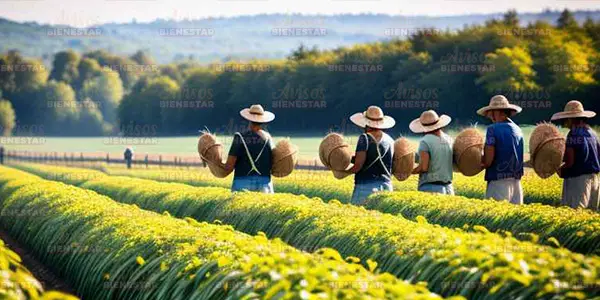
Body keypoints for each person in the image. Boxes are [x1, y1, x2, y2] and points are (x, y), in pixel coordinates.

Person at [552, 100, 600, 210]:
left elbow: (570, 162)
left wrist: (557, 168)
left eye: (565, 120)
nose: (564, 123)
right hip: (595, 179)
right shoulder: (593, 133)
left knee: (574, 212)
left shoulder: (573, 134)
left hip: (578, 181)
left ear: (570, 119)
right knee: (589, 215)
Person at [478, 95, 524, 205]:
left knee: (494, 214)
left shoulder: (492, 129)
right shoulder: (518, 129)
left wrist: (479, 162)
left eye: (491, 112)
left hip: (499, 182)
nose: (489, 116)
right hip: (516, 182)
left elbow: (489, 160)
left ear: (497, 112)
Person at [345, 106, 395, 205]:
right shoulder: (390, 139)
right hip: (387, 186)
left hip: (366, 187)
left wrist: (343, 172)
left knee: (359, 217)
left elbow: (358, 166)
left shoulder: (364, 138)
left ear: (366, 123)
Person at [222, 104, 275, 193]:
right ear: (262, 121)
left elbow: (229, 166)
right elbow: (274, 162)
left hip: (242, 183)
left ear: (249, 120)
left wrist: (216, 164)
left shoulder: (239, 137)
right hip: (265, 184)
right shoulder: (268, 138)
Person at [409, 110, 454, 194]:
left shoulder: (425, 141)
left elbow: (423, 167)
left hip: (431, 187)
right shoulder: (449, 139)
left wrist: (409, 171)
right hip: (449, 187)